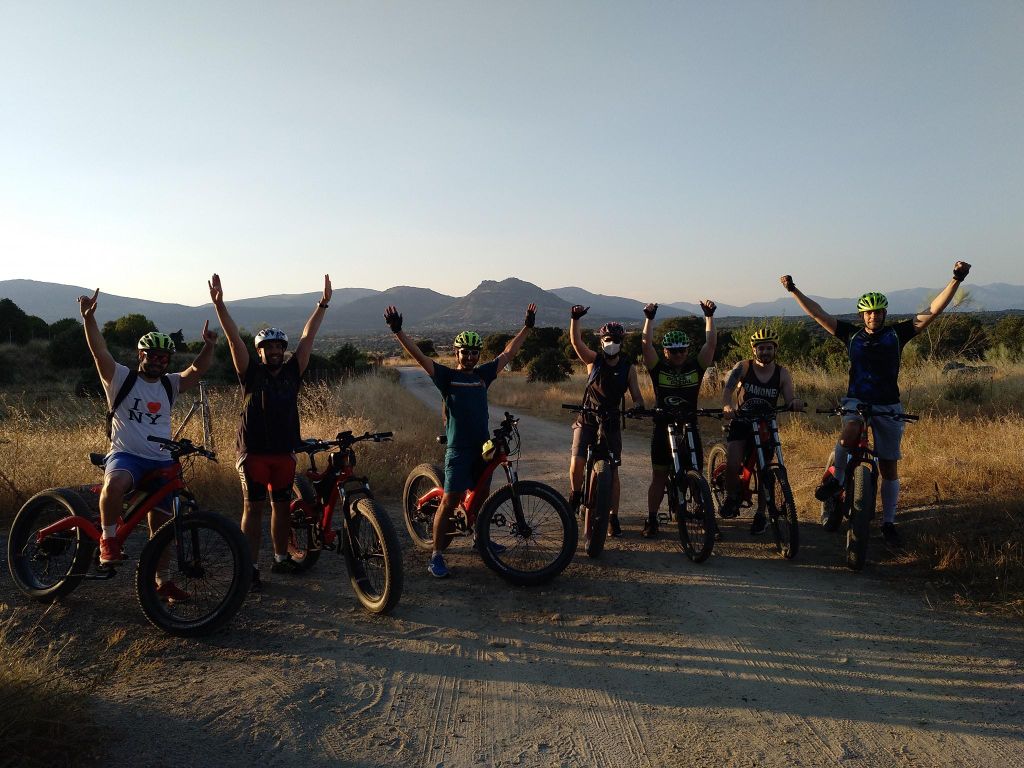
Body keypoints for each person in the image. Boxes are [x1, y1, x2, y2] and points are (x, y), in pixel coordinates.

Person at [781, 261, 972, 547]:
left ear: (884, 313)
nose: (874, 316)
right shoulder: (851, 335)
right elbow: (818, 313)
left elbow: (933, 310)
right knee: (849, 434)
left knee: (889, 467)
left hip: (887, 405)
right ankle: (836, 480)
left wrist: (956, 279)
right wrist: (794, 290)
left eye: (879, 311)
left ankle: (889, 522)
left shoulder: (897, 334)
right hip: (856, 400)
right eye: (869, 312)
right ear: (862, 315)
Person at [78, 288, 217, 601]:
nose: (157, 361)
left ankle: (162, 581)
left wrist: (208, 346)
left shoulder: (169, 383)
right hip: (127, 455)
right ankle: (109, 539)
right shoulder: (121, 378)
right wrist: (89, 320)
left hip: (160, 461)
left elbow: (196, 370)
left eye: (162, 357)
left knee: (164, 528)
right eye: (151, 356)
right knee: (114, 484)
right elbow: (99, 353)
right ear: (140, 355)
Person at [384, 303, 536, 578]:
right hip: (458, 450)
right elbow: (419, 356)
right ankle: (437, 554)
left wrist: (527, 327)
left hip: (482, 449)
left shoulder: (482, 376)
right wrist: (398, 332)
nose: (470, 356)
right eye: (465, 352)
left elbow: (508, 352)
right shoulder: (447, 377)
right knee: (451, 500)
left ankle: (480, 540)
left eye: (474, 352)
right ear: (456, 353)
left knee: (480, 498)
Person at [209, 273, 332, 591]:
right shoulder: (250, 373)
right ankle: (248, 567)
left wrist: (323, 304)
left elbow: (308, 338)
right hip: (252, 454)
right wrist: (220, 306)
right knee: (253, 508)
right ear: (259, 352)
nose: (275, 351)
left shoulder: (293, 371)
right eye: (268, 348)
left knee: (280, 507)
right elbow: (235, 339)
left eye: (279, 347)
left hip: (283, 453)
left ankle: (280, 558)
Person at [639, 301, 716, 537]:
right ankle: (652, 519)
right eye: (674, 351)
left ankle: (705, 517)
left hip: (689, 426)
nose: (680, 354)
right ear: (666, 352)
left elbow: (710, 343)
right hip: (663, 429)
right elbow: (645, 346)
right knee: (659, 477)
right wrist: (650, 318)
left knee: (696, 474)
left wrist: (709, 317)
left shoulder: (696, 366)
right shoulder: (658, 369)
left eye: (683, 350)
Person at [568, 306, 645, 537]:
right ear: (601, 341)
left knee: (613, 472)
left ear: (622, 342)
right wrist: (575, 319)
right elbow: (576, 342)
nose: (611, 343)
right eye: (607, 339)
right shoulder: (594, 361)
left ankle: (613, 517)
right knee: (577, 462)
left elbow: (637, 395)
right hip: (588, 417)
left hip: (611, 420)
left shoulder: (628, 368)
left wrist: (639, 407)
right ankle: (576, 495)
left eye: (615, 340)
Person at [719, 328, 805, 534]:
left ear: (775, 349)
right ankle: (731, 499)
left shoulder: (782, 373)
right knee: (732, 463)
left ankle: (761, 514)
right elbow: (728, 390)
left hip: (766, 425)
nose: (765, 352)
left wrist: (795, 402)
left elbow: (789, 397)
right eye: (761, 348)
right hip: (742, 422)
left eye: (769, 348)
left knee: (766, 470)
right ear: (753, 349)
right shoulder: (743, 367)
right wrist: (727, 406)